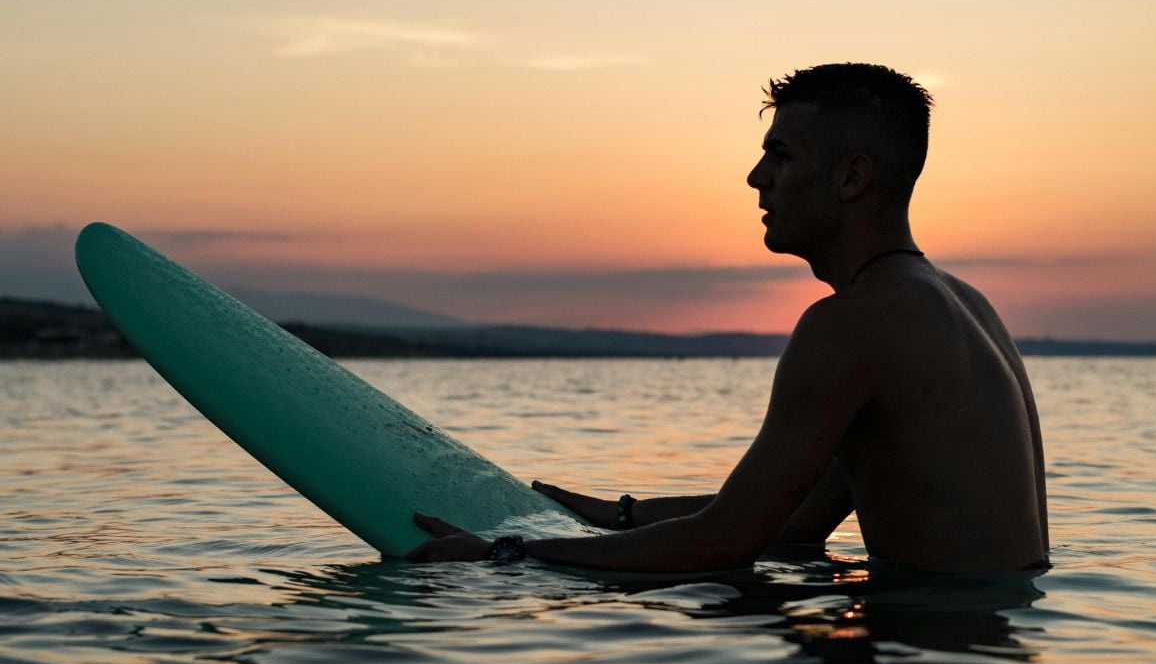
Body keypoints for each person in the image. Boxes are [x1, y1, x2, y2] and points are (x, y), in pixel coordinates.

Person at [407, 62, 1049, 575]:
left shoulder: (854, 322)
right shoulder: (958, 302)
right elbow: (796, 522)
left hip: (925, 663)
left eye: (782, 156)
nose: (755, 177)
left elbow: (721, 545)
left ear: (852, 175)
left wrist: (509, 554)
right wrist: (618, 515)